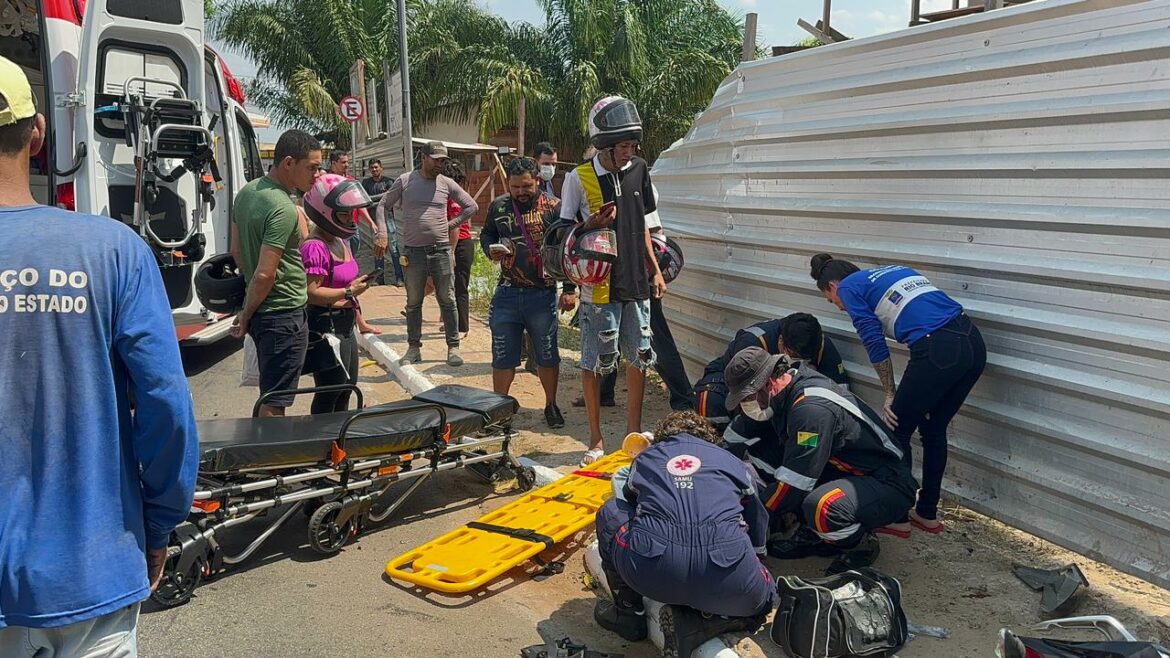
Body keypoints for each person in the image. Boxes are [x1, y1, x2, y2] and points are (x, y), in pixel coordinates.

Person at [0, 57, 199, 655]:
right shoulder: (113, 249)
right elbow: (165, 402)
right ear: (38, 133)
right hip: (93, 569)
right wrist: (159, 522)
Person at [809, 254, 986, 535]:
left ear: (832, 286)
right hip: (973, 344)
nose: (840, 306)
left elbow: (872, 338)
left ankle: (898, 516)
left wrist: (890, 393)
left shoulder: (848, 287)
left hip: (937, 349)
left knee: (896, 430)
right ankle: (926, 512)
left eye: (832, 300)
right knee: (934, 428)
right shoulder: (894, 271)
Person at [593, 411, 772, 657]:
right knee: (766, 597)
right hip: (729, 577)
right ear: (709, 438)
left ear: (661, 438)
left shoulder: (646, 458)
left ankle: (628, 614)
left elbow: (631, 505)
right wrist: (755, 560)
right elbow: (758, 517)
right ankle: (709, 621)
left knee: (611, 511)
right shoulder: (731, 462)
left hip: (651, 572)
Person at [723, 347, 918, 566]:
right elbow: (742, 438)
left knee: (821, 507)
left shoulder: (811, 411)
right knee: (763, 458)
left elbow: (794, 483)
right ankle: (808, 524)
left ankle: (858, 542)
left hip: (886, 480)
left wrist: (756, 515)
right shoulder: (786, 389)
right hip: (841, 466)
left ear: (769, 383)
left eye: (748, 397)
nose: (746, 404)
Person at [561, 96, 666, 465]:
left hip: (636, 281)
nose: (629, 152)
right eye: (623, 146)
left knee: (639, 360)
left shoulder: (639, 169)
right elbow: (563, 233)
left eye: (633, 146)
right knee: (594, 362)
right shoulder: (578, 178)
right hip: (598, 286)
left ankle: (632, 434)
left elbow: (649, 225)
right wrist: (591, 224)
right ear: (605, 144)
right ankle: (594, 440)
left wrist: (656, 270)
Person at [574, 185, 694, 412]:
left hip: (638, 277)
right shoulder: (605, 191)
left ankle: (684, 399)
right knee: (611, 333)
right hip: (611, 277)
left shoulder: (634, 186)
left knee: (653, 338)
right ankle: (604, 391)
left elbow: (653, 231)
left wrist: (652, 271)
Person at [481, 157, 577, 428]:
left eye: (526, 186)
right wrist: (490, 249)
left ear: (537, 181)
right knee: (502, 355)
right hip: (507, 294)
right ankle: (499, 410)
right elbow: (486, 235)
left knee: (547, 354)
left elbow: (567, 250)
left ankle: (551, 405)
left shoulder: (555, 208)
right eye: (515, 187)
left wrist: (569, 289)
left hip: (542, 295)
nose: (521, 191)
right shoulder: (498, 207)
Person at [231, 129, 321, 416]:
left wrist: (250, 308)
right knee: (275, 400)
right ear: (288, 163)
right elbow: (264, 274)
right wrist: (245, 314)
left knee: (270, 391)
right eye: (312, 168)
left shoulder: (247, 193)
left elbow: (237, 253)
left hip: (265, 314)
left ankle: (267, 454)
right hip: (282, 315)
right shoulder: (283, 207)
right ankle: (272, 459)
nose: (316, 175)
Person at [377, 140, 478, 366]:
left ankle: (453, 348)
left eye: (443, 161)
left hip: (440, 251)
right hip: (413, 253)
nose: (440, 164)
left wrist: (451, 225)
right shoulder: (405, 181)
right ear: (423, 157)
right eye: (436, 160)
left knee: (447, 299)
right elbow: (383, 204)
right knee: (413, 302)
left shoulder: (447, 183)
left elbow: (471, 206)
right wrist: (382, 233)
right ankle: (414, 349)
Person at [695, 312, 850, 431]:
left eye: (805, 359)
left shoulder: (821, 345)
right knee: (711, 403)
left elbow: (841, 391)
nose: (798, 363)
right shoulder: (752, 341)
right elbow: (742, 389)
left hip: (784, 397)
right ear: (781, 341)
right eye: (793, 355)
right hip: (733, 382)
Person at [300, 174, 375, 413]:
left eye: (350, 213)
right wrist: (347, 291)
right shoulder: (315, 246)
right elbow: (311, 292)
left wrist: (359, 316)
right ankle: (320, 442)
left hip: (345, 324)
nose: (350, 220)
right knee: (329, 391)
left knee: (347, 388)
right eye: (343, 214)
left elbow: (349, 286)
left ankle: (338, 445)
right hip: (326, 325)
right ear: (324, 212)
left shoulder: (340, 241)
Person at [443, 160, 476, 336]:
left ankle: (462, 327)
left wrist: (451, 251)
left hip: (460, 245)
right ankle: (451, 321)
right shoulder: (456, 195)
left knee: (460, 286)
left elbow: (456, 228)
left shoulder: (455, 197)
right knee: (449, 286)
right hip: (456, 243)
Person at [362, 158, 403, 286]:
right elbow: (365, 200)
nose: (374, 169)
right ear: (369, 169)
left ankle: (399, 277)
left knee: (394, 248)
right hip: (374, 220)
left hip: (388, 218)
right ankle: (380, 278)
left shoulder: (389, 182)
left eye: (376, 167)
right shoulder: (366, 183)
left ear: (381, 168)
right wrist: (381, 199)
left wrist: (375, 200)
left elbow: (391, 199)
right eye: (372, 168)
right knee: (378, 249)